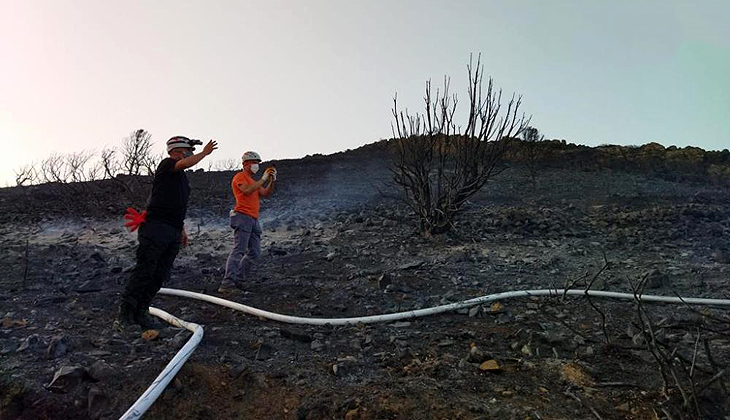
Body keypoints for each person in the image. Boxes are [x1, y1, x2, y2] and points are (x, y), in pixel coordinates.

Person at [115, 136, 218, 330]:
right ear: (179, 150)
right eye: (189, 150)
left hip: (172, 230)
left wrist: (182, 229)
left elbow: (176, 205)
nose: (192, 154)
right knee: (145, 271)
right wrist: (205, 153)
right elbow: (183, 164)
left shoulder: (182, 180)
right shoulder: (167, 164)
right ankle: (125, 315)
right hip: (155, 227)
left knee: (159, 275)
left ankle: (141, 312)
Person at [218, 151, 276, 293]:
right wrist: (263, 179)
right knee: (239, 249)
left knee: (254, 252)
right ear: (245, 164)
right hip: (242, 216)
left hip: (253, 218)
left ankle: (239, 279)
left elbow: (265, 193)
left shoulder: (253, 181)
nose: (257, 166)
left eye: (258, 163)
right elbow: (247, 191)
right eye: (255, 163)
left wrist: (271, 180)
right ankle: (227, 284)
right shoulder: (240, 177)